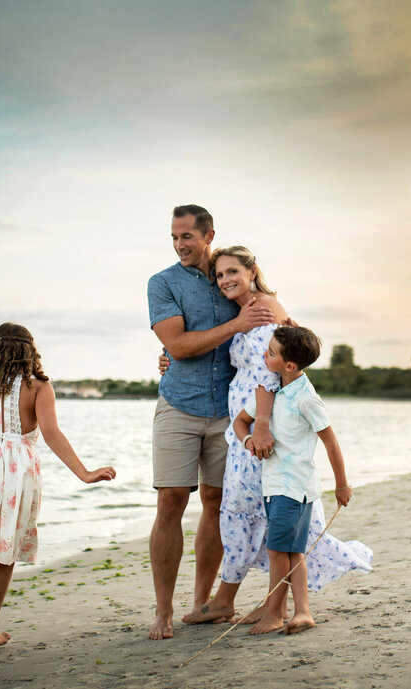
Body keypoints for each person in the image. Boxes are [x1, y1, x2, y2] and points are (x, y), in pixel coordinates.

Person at [180, 247, 371, 626]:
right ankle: (249, 600)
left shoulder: (264, 307)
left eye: (232, 271)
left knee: (260, 510)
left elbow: (272, 372)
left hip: (258, 427)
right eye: (219, 275)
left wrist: (262, 424)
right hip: (245, 426)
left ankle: (261, 604)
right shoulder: (252, 309)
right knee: (250, 510)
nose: (225, 280)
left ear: (252, 272)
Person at [0, 323, 116, 677]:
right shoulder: (38, 387)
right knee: (5, 554)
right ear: (29, 351)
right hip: (16, 473)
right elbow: (51, 433)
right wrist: (85, 473)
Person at [145, 205, 276, 640]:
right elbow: (178, 346)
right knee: (170, 502)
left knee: (218, 502)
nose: (181, 245)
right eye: (174, 238)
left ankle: (205, 603)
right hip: (179, 405)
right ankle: (163, 612)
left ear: (208, 235)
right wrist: (230, 327)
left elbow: (276, 330)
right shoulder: (163, 283)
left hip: (231, 413)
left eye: (187, 236)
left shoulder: (231, 274)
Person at [233, 325, 352, 635]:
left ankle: (274, 612)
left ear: (289, 366)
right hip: (273, 486)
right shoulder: (271, 389)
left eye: (270, 353)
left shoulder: (307, 399)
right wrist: (250, 442)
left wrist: (341, 484)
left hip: (294, 488)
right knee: (292, 551)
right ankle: (302, 612)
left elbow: (331, 442)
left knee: (278, 550)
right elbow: (239, 423)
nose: (264, 355)